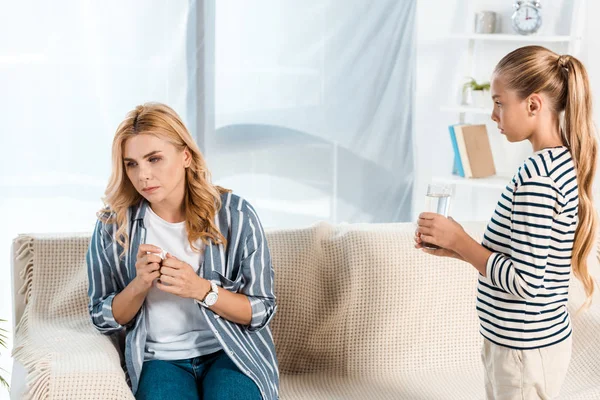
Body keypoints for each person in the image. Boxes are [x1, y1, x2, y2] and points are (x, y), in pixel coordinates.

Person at [415, 46, 598, 399]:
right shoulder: (558, 164)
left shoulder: (537, 177)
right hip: (526, 344)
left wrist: (461, 242)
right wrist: (456, 248)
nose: (493, 114)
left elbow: (526, 282)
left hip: (522, 349)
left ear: (533, 105)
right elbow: (522, 260)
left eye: (499, 102)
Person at [86, 103, 279, 400]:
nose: (143, 175)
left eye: (154, 159)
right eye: (132, 164)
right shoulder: (114, 226)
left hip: (230, 351)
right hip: (159, 360)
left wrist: (201, 289)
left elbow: (261, 309)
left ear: (185, 155)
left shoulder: (235, 215)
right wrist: (138, 286)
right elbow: (101, 316)